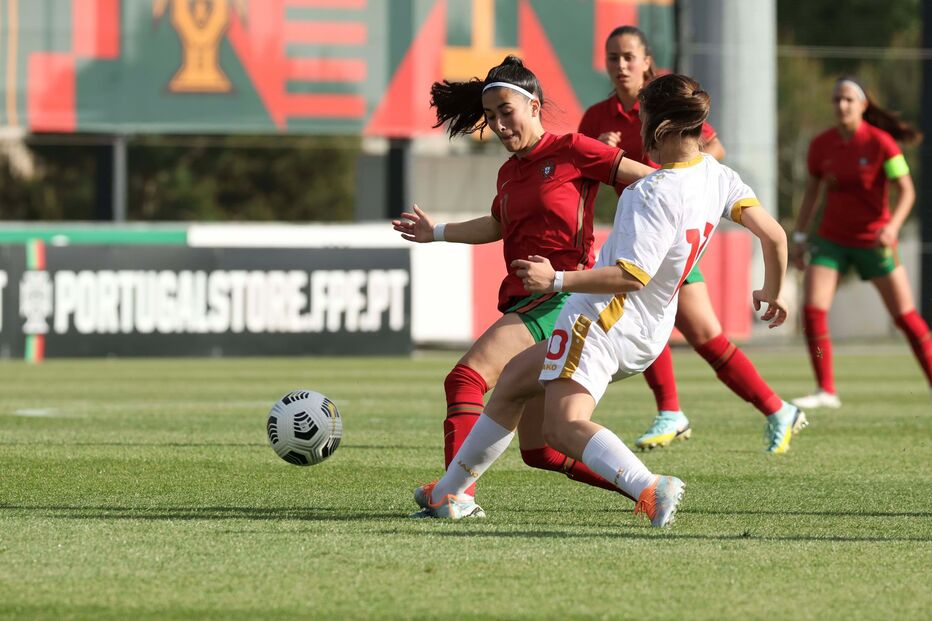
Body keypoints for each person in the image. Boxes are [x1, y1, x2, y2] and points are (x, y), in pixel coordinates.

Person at [413, 74, 794, 526]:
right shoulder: (718, 176)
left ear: (659, 128)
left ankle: (649, 487)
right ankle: (448, 493)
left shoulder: (650, 193)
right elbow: (774, 235)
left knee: (563, 426)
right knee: (514, 381)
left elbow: (630, 277)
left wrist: (554, 279)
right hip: (650, 329)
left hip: (601, 321)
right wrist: (771, 290)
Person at [393, 55, 655, 508]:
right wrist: (435, 232)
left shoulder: (573, 149)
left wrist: (654, 241)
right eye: (490, 116)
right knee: (541, 450)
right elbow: (497, 225)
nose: (497, 123)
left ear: (534, 107)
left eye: (505, 111)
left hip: (556, 299)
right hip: (525, 302)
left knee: (465, 379)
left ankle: (454, 495)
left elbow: (651, 183)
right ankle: (648, 488)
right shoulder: (510, 171)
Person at [579, 25, 805, 450]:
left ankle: (684, 411)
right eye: (613, 58)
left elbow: (709, 152)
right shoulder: (596, 117)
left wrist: (651, 170)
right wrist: (599, 154)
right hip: (642, 234)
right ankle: (763, 409)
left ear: (647, 60)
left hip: (669, 231)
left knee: (679, 326)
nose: (621, 65)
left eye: (629, 56)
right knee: (677, 327)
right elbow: (583, 175)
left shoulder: (669, 106)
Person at [791, 77, 931, 408]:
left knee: (906, 318)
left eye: (849, 100)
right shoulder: (821, 145)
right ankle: (826, 390)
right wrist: (799, 236)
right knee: (812, 311)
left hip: (874, 240)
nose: (842, 105)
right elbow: (812, 192)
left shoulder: (882, 143)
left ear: (863, 106)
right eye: (837, 99)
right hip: (831, 239)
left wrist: (892, 227)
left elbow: (907, 190)